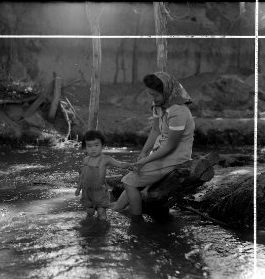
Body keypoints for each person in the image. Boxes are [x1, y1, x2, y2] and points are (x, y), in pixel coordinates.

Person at [110, 71, 195, 221]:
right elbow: (155, 130)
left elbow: (171, 146)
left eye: (156, 95)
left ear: (168, 91)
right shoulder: (159, 105)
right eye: (151, 95)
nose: (153, 99)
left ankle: (136, 220)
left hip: (175, 158)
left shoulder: (179, 112)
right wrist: (144, 153)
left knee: (129, 182)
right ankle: (117, 208)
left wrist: (145, 161)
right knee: (131, 177)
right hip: (160, 153)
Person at [75, 130, 136, 220]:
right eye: (89, 146)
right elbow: (82, 175)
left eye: (96, 145)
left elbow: (120, 164)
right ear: (85, 147)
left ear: (103, 146)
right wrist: (78, 188)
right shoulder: (85, 160)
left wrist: (129, 165)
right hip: (87, 192)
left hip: (100, 192)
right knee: (89, 213)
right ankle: (89, 229)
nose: (93, 149)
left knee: (101, 213)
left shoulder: (106, 159)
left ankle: (103, 229)